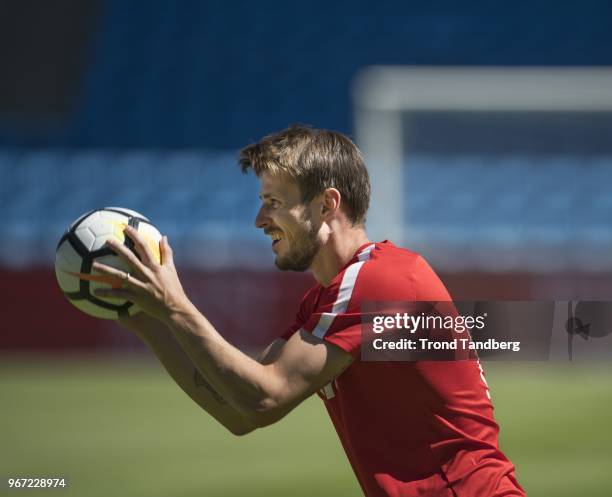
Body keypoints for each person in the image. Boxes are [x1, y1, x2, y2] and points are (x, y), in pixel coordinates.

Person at [93, 125, 525, 497]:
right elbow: (238, 409)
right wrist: (150, 322)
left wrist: (176, 306)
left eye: (274, 202)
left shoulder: (381, 282)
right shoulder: (327, 298)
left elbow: (265, 399)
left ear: (326, 205)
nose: (259, 219)